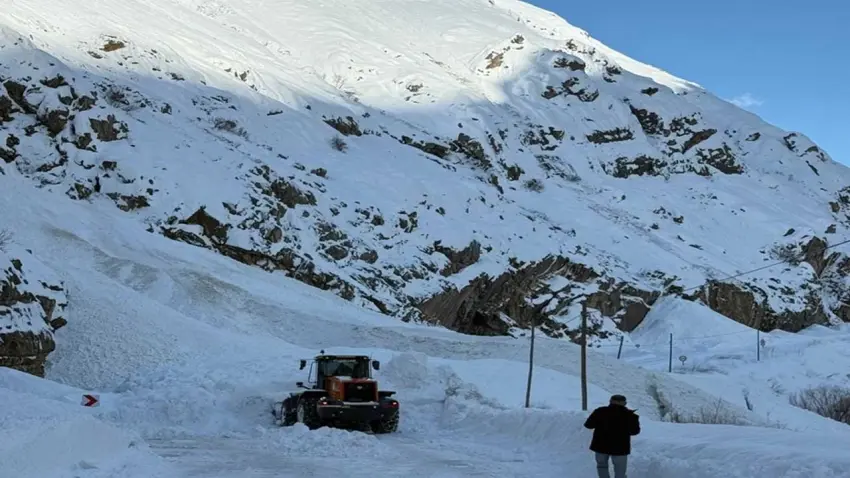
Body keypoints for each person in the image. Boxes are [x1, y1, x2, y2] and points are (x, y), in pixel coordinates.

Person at [583, 394, 641, 478]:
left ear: (610, 401)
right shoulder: (631, 416)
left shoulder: (600, 411)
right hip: (620, 448)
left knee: (602, 466)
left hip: (600, 445)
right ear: (624, 403)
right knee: (620, 470)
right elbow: (635, 431)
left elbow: (588, 425)